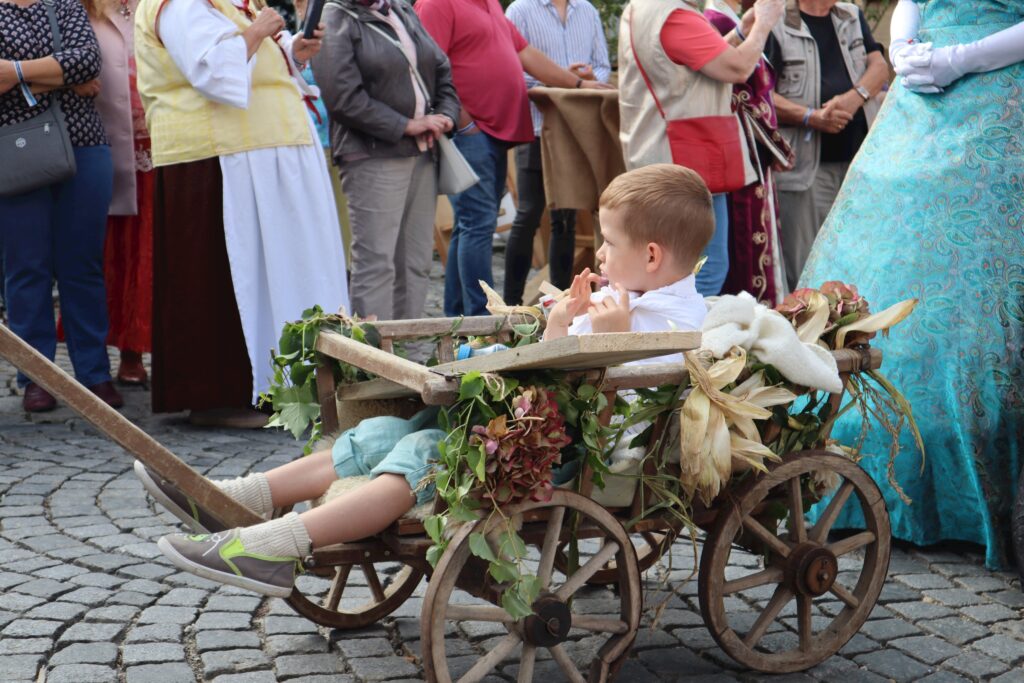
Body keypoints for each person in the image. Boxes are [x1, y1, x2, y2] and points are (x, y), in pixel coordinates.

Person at [136, 163, 713, 597]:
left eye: (610, 242)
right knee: (385, 432)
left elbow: (604, 411)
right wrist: (563, 322)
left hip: (568, 455)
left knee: (425, 454)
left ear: (654, 256)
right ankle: (236, 501)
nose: (600, 253)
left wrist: (601, 341)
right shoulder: (630, 298)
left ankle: (279, 546)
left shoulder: (667, 323)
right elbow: (550, 364)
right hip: (525, 422)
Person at [801, 0, 1024, 570]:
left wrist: (963, 57)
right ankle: (840, 456)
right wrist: (903, 48)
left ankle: (961, 484)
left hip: (1003, 98)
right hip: (919, 104)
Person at [134, 0, 349, 427]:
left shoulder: (231, 3)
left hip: (263, 152)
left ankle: (295, 382)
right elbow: (213, 72)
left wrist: (292, 50)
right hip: (221, 159)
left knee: (285, 272)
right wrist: (258, 31)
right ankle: (225, 394)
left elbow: (258, 65)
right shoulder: (178, 5)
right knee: (234, 275)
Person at [415, 0, 613, 318]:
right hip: (471, 132)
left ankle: (460, 318)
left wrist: (577, 83)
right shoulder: (439, 3)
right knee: (478, 225)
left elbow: (525, 54)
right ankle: (483, 320)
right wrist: (463, 121)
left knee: (472, 226)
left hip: (492, 132)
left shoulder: (489, 4)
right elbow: (426, 67)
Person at [0, 0, 124, 412]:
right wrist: (60, 77)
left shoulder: (66, 4)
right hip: (15, 151)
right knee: (26, 267)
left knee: (83, 265)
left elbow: (88, 62)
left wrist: (16, 72)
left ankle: (94, 375)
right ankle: (37, 377)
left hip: (85, 147)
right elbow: (75, 72)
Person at [617, 0, 784, 298]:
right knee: (703, 270)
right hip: (686, 162)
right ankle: (683, 341)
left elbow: (701, 59)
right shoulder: (675, 16)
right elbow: (737, 67)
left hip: (665, 155)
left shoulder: (648, 8)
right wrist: (763, 25)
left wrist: (743, 32)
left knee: (671, 270)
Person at [313, 0, 459, 322]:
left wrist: (446, 115)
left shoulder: (401, 10)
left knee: (416, 263)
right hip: (371, 156)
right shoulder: (335, 16)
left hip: (422, 154)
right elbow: (341, 97)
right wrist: (406, 125)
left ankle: (412, 357)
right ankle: (372, 361)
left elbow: (442, 69)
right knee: (376, 263)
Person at [769, 0, 887, 290]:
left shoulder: (850, 14)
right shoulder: (776, 21)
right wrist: (811, 117)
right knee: (807, 268)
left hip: (859, 165)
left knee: (860, 259)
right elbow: (761, 94)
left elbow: (880, 65)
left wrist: (854, 96)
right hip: (805, 171)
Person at [501, 0, 611, 305]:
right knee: (529, 214)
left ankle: (564, 304)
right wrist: (562, 78)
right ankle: (509, 307)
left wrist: (589, 77)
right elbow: (512, 73)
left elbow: (602, 65)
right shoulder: (519, 12)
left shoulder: (587, 10)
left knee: (567, 217)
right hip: (538, 129)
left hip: (578, 131)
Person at [82, 0, 153, 386]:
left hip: (159, 146)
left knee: (152, 256)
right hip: (103, 147)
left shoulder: (160, 7)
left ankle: (145, 349)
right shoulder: (86, 10)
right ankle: (118, 353)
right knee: (113, 256)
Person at [706, 0, 793, 305]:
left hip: (753, 154)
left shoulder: (730, 20)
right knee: (739, 249)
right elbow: (742, 90)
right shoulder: (713, 20)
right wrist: (776, 146)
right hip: (740, 155)